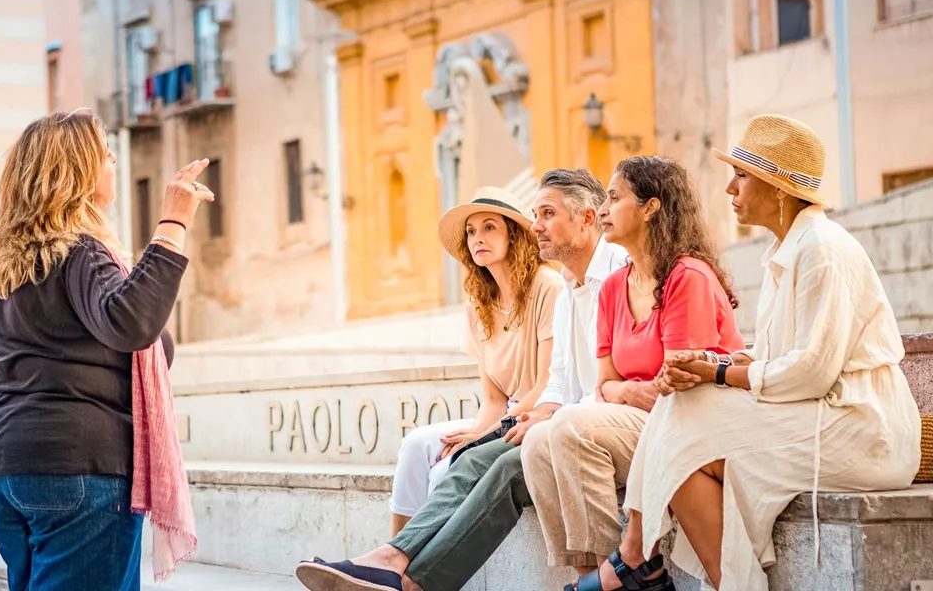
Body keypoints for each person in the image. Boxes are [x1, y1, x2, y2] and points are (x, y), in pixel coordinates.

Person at [606, 115, 921, 591]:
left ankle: (639, 553)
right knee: (681, 435)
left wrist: (715, 375)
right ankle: (725, 580)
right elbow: (775, 355)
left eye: (742, 175)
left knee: (684, 420)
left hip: (862, 429)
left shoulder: (822, 250)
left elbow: (812, 372)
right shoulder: (788, 249)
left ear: (778, 188)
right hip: (818, 415)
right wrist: (709, 363)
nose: (730, 188)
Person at [295, 171, 625, 591]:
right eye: (471, 231)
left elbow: (569, 385)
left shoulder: (576, 283)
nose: (536, 225)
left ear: (587, 219)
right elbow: (547, 387)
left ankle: (408, 580)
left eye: (547, 214)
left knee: (501, 464)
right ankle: (391, 559)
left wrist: (526, 420)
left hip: (584, 424)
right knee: (453, 454)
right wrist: (519, 421)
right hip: (553, 417)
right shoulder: (560, 288)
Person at [0, 110, 212, 590]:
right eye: (105, 153)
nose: (114, 160)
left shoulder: (8, 267)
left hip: (1, 465)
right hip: (74, 465)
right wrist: (172, 225)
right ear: (78, 170)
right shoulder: (82, 251)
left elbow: (132, 333)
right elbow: (130, 324)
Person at [556, 156, 744, 591]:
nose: (603, 209)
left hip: (697, 425)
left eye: (614, 198)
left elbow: (678, 385)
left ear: (650, 207)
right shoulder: (612, 287)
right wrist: (628, 392)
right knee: (538, 444)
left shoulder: (687, 277)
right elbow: (604, 384)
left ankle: (633, 563)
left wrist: (622, 391)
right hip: (644, 420)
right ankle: (601, 570)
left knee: (569, 425)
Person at [384, 186, 564, 536]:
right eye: (470, 231)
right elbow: (494, 398)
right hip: (506, 414)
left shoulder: (547, 286)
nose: (477, 238)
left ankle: (411, 559)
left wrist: (482, 437)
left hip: (539, 416)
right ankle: (391, 552)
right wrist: (475, 433)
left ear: (513, 235)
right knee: (416, 445)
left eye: (489, 227)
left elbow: (546, 386)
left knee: (446, 469)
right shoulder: (477, 305)